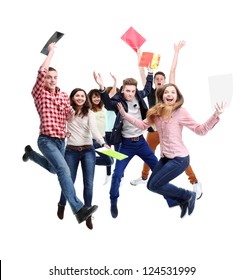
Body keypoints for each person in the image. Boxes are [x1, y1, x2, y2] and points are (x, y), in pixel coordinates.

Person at [117, 83, 225, 218]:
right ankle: (184, 200)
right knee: (151, 185)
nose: (170, 95)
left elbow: (200, 130)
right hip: (165, 157)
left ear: (177, 96)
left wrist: (215, 115)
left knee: (156, 184)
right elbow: (142, 125)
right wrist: (124, 115)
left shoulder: (181, 112)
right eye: (167, 92)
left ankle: (188, 195)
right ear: (162, 96)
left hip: (180, 159)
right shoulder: (156, 113)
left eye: (173, 92)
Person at [22, 42, 98, 225]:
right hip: (46, 140)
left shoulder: (64, 95)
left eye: (55, 77)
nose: (52, 79)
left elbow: (68, 117)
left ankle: (30, 154)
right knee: (64, 170)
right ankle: (78, 209)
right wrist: (51, 52)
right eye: (49, 77)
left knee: (53, 169)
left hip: (61, 142)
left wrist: (71, 113)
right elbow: (41, 71)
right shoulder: (39, 92)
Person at [131, 41, 203, 200]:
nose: (158, 80)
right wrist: (138, 52)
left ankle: (195, 182)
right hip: (152, 131)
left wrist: (176, 51)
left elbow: (172, 70)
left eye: (161, 79)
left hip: (169, 133)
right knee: (148, 155)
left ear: (165, 82)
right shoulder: (150, 91)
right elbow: (142, 71)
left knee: (178, 159)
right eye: (156, 78)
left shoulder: (169, 93)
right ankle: (144, 178)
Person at [93, 70, 158, 218]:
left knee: (158, 168)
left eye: (133, 91)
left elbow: (148, 89)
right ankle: (113, 201)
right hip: (126, 144)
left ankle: (171, 196)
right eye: (127, 91)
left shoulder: (138, 95)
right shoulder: (118, 101)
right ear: (123, 90)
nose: (130, 94)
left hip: (141, 142)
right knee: (117, 175)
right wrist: (102, 87)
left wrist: (150, 73)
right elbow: (108, 103)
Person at [57, 88, 110, 229]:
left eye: (82, 96)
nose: (80, 98)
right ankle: (62, 204)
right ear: (72, 97)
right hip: (71, 152)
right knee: (69, 181)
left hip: (88, 151)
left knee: (89, 183)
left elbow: (94, 131)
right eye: (77, 95)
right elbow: (59, 125)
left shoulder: (90, 113)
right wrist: (64, 133)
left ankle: (87, 213)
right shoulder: (67, 111)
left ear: (85, 98)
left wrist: (103, 143)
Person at [88, 88, 114, 183]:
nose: (96, 99)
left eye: (98, 97)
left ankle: (87, 159)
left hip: (104, 138)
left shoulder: (103, 107)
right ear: (90, 98)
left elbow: (111, 94)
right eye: (94, 97)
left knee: (111, 160)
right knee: (109, 161)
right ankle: (86, 160)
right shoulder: (88, 110)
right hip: (95, 140)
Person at [104, 73, 121, 184]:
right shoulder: (106, 105)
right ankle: (108, 174)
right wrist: (115, 82)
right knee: (108, 155)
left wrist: (115, 82)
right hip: (106, 132)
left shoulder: (118, 107)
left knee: (118, 154)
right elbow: (110, 95)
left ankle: (120, 175)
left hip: (117, 132)